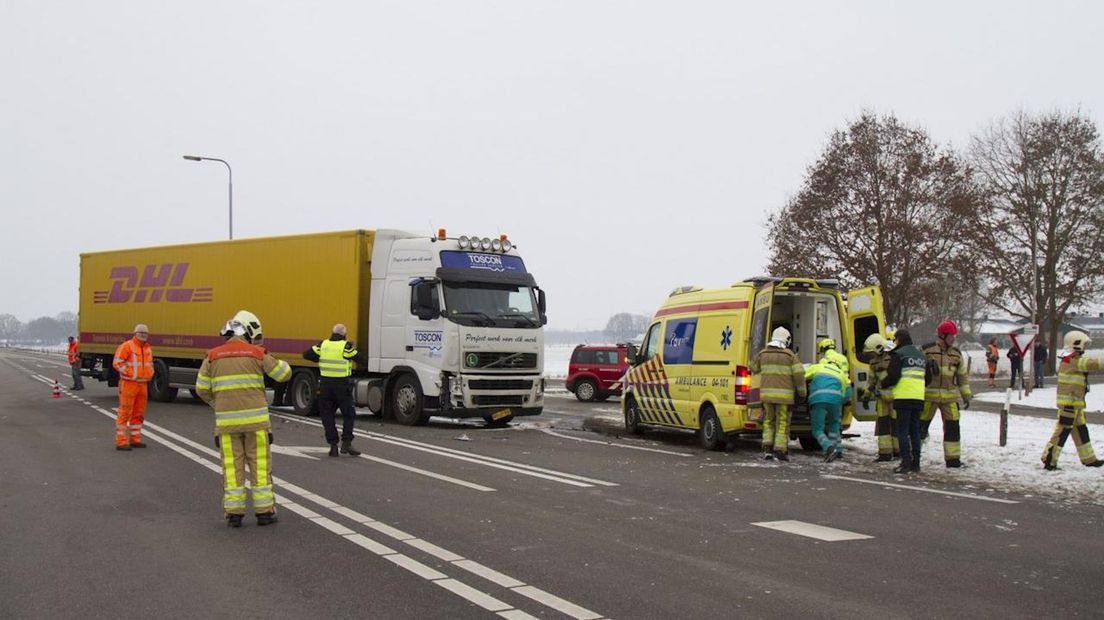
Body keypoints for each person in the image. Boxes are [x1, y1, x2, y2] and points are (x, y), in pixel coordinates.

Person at [196, 311, 292, 527]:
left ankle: (234, 514)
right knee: (259, 467)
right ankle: (265, 512)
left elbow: (201, 389)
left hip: (227, 425)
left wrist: (218, 404)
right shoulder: (257, 353)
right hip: (256, 424)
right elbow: (283, 374)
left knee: (232, 467)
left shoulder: (212, 356)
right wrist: (270, 356)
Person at [1040, 331, 1104, 470]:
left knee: (1081, 431)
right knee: (1062, 431)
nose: (1085, 347)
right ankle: (1049, 458)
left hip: (1076, 404)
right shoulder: (1072, 360)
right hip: (1069, 404)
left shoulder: (1070, 359)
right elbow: (1094, 364)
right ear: (1076, 343)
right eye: (1084, 344)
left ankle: (1089, 459)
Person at [749, 326, 806, 461]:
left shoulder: (763, 354)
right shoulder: (791, 356)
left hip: (767, 397)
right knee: (782, 423)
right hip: (784, 398)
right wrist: (802, 394)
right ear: (786, 340)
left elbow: (753, 367)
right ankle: (780, 450)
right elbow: (799, 376)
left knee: (768, 421)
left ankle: (767, 447)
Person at [304, 323, 361, 457]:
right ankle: (346, 443)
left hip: (325, 386)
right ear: (344, 335)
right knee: (349, 414)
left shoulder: (323, 345)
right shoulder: (345, 346)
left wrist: (319, 359)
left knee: (327, 415)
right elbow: (360, 358)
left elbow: (306, 354)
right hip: (342, 386)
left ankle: (333, 445)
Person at [920, 320, 971, 468]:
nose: (953, 339)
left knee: (953, 428)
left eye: (954, 336)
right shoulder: (927, 351)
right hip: (928, 397)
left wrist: (966, 396)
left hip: (949, 399)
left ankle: (953, 460)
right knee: (920, 427)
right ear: (942, 336)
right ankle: (913, 455)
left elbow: (962, 377)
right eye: (951, 336)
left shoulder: (956, 354)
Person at [881, 328, 927, 474]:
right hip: (918, 397)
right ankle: (916, 463)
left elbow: (893, 376)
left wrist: (883, 383)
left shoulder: (898, 355)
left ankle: (905, 462)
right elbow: (929, 378)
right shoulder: (921, 356)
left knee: (902, 430)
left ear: (899, 340)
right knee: (914, 431)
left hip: (903, 397)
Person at [112, 324, 153, 450]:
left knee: (138, 413)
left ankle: (135, 439)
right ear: (135, 333)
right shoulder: (127, 346)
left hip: (143, 384)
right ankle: (121, 441)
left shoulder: (147, 348)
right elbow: (117, 363)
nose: (143, 335)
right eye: (140, 333)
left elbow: (149, 364)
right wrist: (131, 373)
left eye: (145, 333)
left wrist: (150, 373)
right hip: (129, 383)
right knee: (125, 412)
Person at [804, 353, 851, 461]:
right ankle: (837, 450)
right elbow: (846, 392)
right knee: (834, 425)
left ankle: (829, 448)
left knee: (817, 430)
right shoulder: (841, 373)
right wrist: (840, 402)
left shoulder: (818, 367)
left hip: (818, 399)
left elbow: (803, 375)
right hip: (835, 401)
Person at [860, 332, 898, 462]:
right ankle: (885, 453)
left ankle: (898, 452)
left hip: (895, 398)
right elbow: (871, 380)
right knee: (883, 426)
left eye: (872, 353)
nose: (872, 356)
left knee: (896, 425)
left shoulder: (893, 357)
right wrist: (866, 396)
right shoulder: (874, 362)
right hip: (881, 398)